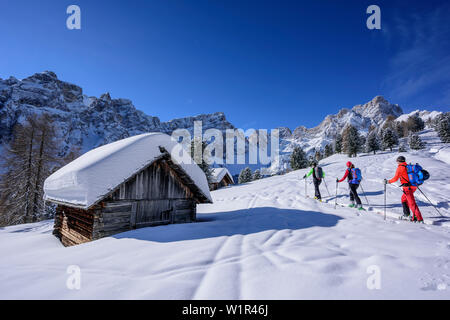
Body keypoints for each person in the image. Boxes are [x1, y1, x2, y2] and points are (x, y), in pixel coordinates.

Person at [385, 156, 424, 222]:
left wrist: (388, 181)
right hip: (414, 186)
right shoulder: (408, 166)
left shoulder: (400, 168)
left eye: (397, 161)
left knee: (412, 203)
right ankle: (407, 214)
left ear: (398, 161)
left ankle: (419, 219)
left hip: (407, 188)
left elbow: (395, 178)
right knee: (403, 199)